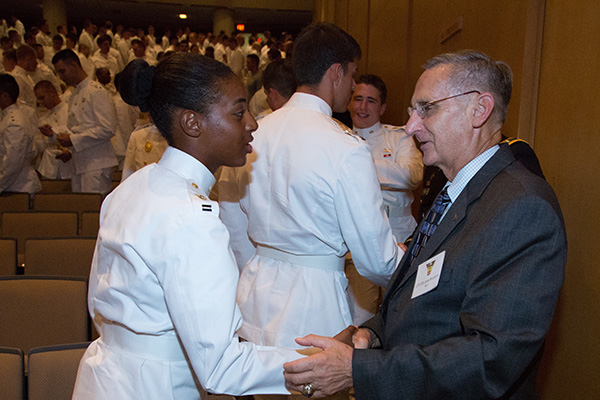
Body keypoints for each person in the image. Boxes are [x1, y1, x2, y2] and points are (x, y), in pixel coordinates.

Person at [282, 50, 568, 400]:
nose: (411, 126)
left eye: (427, 109)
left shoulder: (522, 206)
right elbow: (421, 294)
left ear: (479, 110)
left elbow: (491, 358)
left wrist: (356, 370)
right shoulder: (456, 190)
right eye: (411, 112)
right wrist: (372, 334)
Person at [72, 53, 305, 399]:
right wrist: (315, 363)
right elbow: (221, 369)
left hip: (105, 379)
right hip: (158, 387)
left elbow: (98, 305)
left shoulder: (132, 187)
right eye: (239, 112)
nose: (253, 124)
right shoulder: (191, 217)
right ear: (192, 123)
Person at [218, 22, 401, 366]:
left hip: (252, 297)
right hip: (313, 309)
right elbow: (375, 259)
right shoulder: (344, 147)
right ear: (336, 72)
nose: (351, 85)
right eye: (352, 74)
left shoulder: (253, 133)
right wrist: (404, 260)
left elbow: (232, 226)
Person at [52, 49, 118, 195]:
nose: (61, 77)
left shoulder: (96, 91)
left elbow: (107, 128)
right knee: (81, 208)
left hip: (97, 163)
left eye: (62, 71)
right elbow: (76, 128)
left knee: (92, 210)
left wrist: (73, 140)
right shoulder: (74, 94)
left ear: (74, 65)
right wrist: (58, 137)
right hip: (80, 162)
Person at [0, 74, 41, 193]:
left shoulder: (14, 122)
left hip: (19, 186)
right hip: (14, 185)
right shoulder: (9, 118)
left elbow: (13, 162)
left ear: (5, 96)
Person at [34, 80, 72, 179]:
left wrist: (70, 152)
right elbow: (41, 147)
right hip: (49, 168)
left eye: (42, 98)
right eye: (38, 99)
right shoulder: (43, 119)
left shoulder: (70, 111)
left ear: (52, 92)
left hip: (71, 165)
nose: (40, 102)